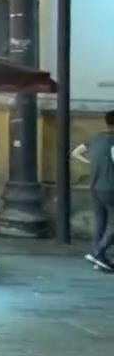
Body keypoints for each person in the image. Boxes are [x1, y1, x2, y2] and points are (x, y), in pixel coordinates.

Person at [73, 109, 114, 272]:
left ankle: (99, 259)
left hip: (95, 185)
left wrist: (91, 163)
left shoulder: (96, 138)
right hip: (110, 186)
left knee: (100, 222)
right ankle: (98, 253)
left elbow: (76, 153)